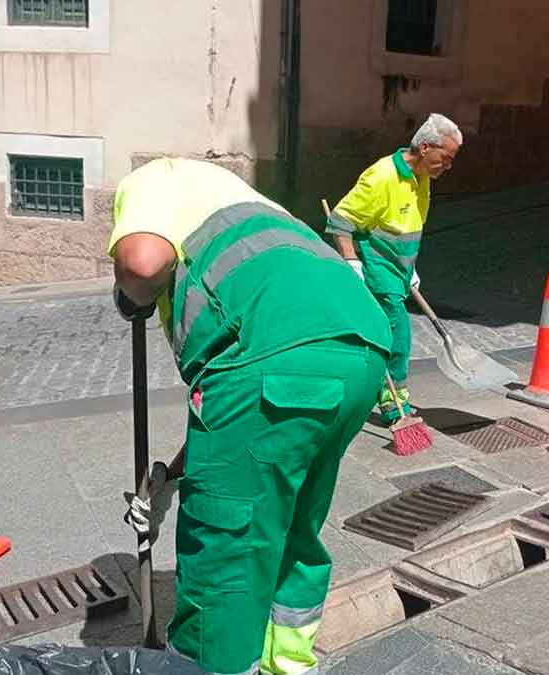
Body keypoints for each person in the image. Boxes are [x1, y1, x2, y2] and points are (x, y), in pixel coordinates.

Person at [108, 157, 391, 675]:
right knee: (292, 526)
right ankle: (288, 664)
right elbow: (247, 431)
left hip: (274, 357)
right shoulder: (245, 203)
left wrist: (131, 297)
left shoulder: (153, 180)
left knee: (226, 546)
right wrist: (174, 474)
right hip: (363, 347)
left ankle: (207, 667)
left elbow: (143, 263)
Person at [325, 113, 461, 424]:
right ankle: (393, 402)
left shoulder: (422, 177)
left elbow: (406, 228)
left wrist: (410, 268)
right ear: (426, 147)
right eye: (447, 158)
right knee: (398, 335)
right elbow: (340, 221)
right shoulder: (382, 177)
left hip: (400, 271)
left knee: (376, 335)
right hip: (377, 269)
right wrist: (352, 263)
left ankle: (353, 388)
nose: (449, 166)